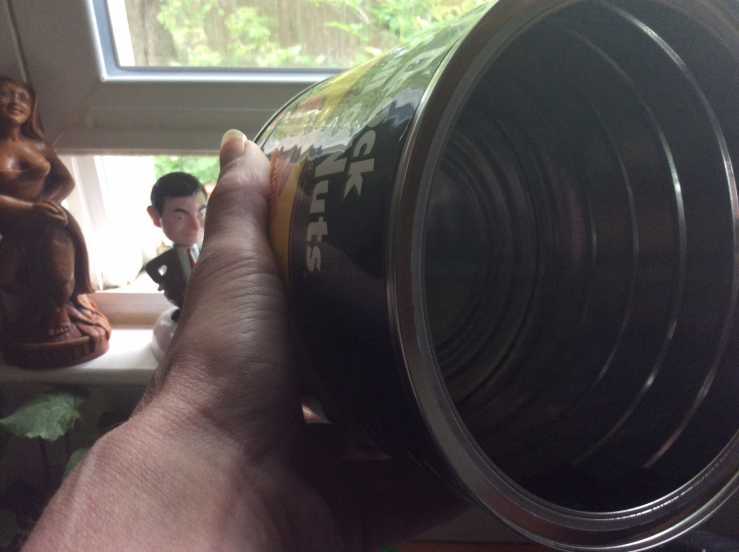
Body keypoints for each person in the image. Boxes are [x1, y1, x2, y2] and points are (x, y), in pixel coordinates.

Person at [22, 129, 462, 551]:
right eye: (179, 214)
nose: (194, 221)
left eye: (200, 210)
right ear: (157, 219)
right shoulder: (165, 267)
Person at [0, 75, 109, 367]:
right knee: (10, 277)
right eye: (5, 95)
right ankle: (33, 319)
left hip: (49, 220)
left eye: (23, 97)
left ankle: (60, 311)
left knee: (60, 271)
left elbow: (65, 180)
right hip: (10, 226)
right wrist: (29, 209)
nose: (15, 102)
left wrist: (46, 203)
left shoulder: (38, 146)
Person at [144, 171, 207, 317]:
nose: (195, 226)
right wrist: (162, 282)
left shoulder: (206, 251)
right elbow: (151, 267)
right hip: (180, 295)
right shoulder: (169, 258)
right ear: (155, 216)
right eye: (180, 217)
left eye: (201, 213)